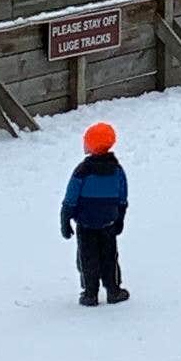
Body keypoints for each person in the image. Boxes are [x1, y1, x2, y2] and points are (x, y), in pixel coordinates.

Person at [63, 121, 130, 304]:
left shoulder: (82, 171)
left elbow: (71, 196)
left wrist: (65, 218)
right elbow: (122, 197)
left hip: (85, 224)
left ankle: (90, 293)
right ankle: (113, 290)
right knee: (110, 256)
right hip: (108, 222)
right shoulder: (117, 170)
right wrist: (120, 217)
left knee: (87, 257)